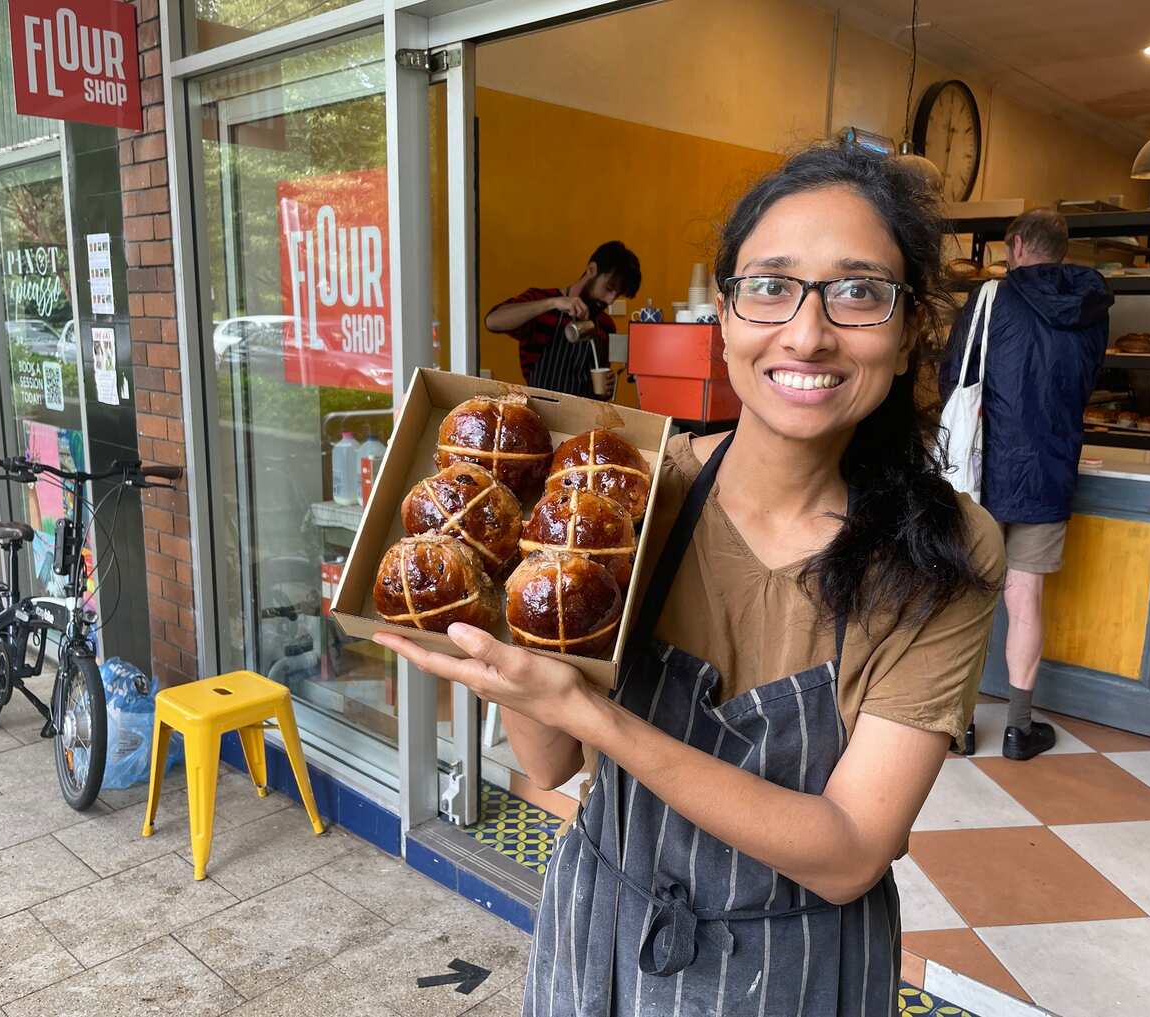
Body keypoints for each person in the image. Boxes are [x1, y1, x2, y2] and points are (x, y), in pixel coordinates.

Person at [375, 144, 1003, 1014]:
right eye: (771, 285)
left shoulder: (943, 553)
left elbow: (852, 847)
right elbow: (551, 759)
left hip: (796, 968)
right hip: (599, 936)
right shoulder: (630, 495)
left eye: (858, 291)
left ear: (908, 333)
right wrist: (498, 618)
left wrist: (596, 714)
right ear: (726, 315)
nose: (808, 331)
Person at [940, 208, 1112, 760]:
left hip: (983, 472)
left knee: (969, 596)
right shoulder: (1093, 307)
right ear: (1062, 250)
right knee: (1026, 600)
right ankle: (1018, 729)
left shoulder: (991, 299)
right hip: (1051, 469)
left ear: (1014, 245)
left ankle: (960, 725)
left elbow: (956, 377)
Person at [484, 241, 641, 398]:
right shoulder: (542, 303)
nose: (610, 300)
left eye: (617, 294)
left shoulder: (605, 325)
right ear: (592, 270)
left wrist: (605, 386)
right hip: (544, 413)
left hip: (584, 417)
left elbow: (599, 377)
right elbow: (492, 321)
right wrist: (552, 303)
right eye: (608, 288)